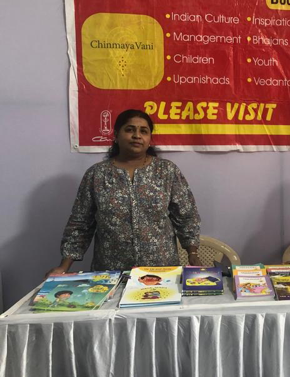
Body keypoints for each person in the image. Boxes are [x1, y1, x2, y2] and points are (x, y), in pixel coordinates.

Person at [47, 109, 201, 276]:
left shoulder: (166, 171)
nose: (137, 135)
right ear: (116, 135)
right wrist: (63, 267)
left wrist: (192, 254)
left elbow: (186, 216)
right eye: (129, 129)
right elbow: (80, 223)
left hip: (160, 269)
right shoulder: (97, 175)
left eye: (144, 131)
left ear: (150, 139)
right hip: (110, 272)